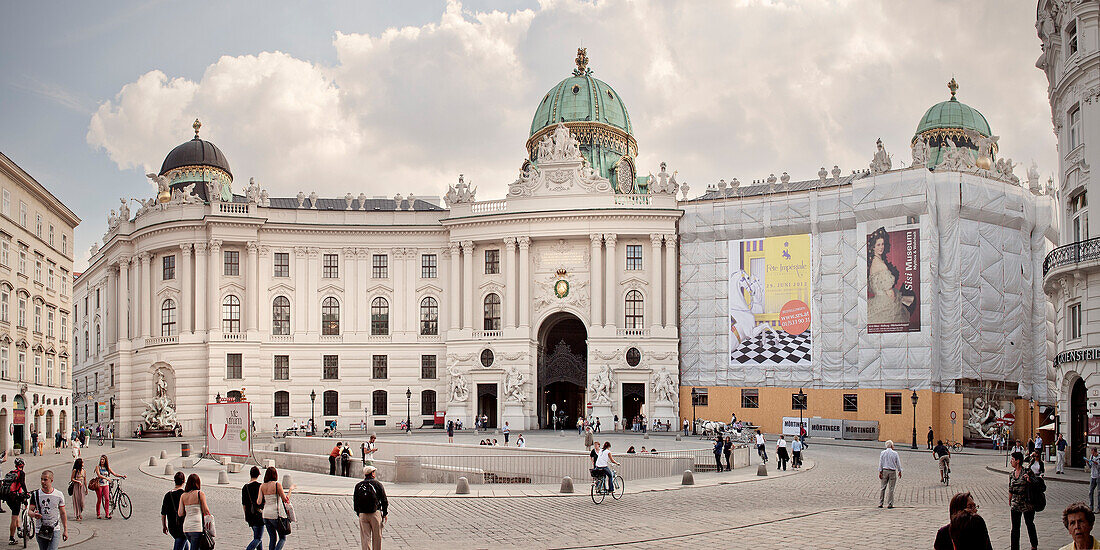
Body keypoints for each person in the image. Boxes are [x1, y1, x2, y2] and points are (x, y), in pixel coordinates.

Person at [27, 470, 67, 550]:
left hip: (54, 529)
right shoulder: (36, 494)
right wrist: (34, 515)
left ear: (51, 480)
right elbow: (30, 511)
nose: (42, 482)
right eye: (41, 479)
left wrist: (65, 530)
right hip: (40, 529)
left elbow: (62, 513)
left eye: (45, 480)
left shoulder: (58, 495)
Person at [1009, 451, 1039, 550]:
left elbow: (1037, 483)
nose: (1011, 461)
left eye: (1012, 459)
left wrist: (1029, 480)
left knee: (1029, 524)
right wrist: (1010, 500)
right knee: (1015, 528)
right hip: (1015, 504)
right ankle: (1014, 547)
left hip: (1027, 503)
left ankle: (1034, 545)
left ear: (1018, 461)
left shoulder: (1027, 472)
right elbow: (1011, 489)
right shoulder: (1012, 474)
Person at [354, 465, 388, 550]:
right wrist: (384, 513)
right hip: (375, 513)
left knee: (365, 538)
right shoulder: (377, 484)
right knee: (377, 537)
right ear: (372, 474)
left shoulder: (358, 485)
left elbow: (355, 501)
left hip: (363, 514)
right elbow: (384, 500)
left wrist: (359, 513)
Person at [257, 467, 290, 550]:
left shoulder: (262, 486)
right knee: (282, 538)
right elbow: (285, 499)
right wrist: (290, 490)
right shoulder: (277, 485)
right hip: (274, 514)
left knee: (272, 538)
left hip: (265, 514)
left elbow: (258, 502)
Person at [178, 474, 213, 549]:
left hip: (186, 527)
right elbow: (206, 510)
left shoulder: (183, 495)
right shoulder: (200, 494)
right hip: (196, 526)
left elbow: (180, 513)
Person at [93, 454, 124, 519]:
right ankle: (98, 514)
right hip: (99, 485)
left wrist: (121, 476)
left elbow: (114, 474)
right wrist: (106, 478)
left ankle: (107, 514)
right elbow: (99, 475)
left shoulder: (107, 468)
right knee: (99, 499)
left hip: (105, 485)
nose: (102, 461)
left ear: (105, 460)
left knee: (107, 499)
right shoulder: (98, 467)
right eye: (101, 459)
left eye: (103, 459)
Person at [161, 471, 186, 550]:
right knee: (181, 541)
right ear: (184, 481)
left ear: (174, 481)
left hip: (172, 526)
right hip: (183, 526)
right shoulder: (185, 494)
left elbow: (163, 513)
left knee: (182, 543)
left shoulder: (168, 495)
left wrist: (164, 526)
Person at [242, 466, 264, 550]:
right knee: (258, 538)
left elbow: (244, 504)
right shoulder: (260, 486)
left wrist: (246, 515)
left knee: (257, 536)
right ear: (258, 475)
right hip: (259, 514)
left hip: (249, 514)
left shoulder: (245, 487)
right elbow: (262, 501)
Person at [5, 458, 26, 545]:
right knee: (14, 517)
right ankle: (11, 538)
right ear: (22, 465)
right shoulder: (21, 473)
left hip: (7, 496)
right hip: (15, 496)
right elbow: (22, 484)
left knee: (15, 512)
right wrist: (26, 493)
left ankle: (19, 529)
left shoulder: (10, 472)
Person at [878, 440, 901, 509]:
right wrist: (899, 471)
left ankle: (880, 503)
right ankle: (890, 503)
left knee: (882, 488)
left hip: (884, 470)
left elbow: (880, 463)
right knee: (891, 488)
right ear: (891, 446)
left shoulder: (882, 453)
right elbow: (898, 463)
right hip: (892, 471)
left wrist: (880, 471)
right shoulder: (895, 453)